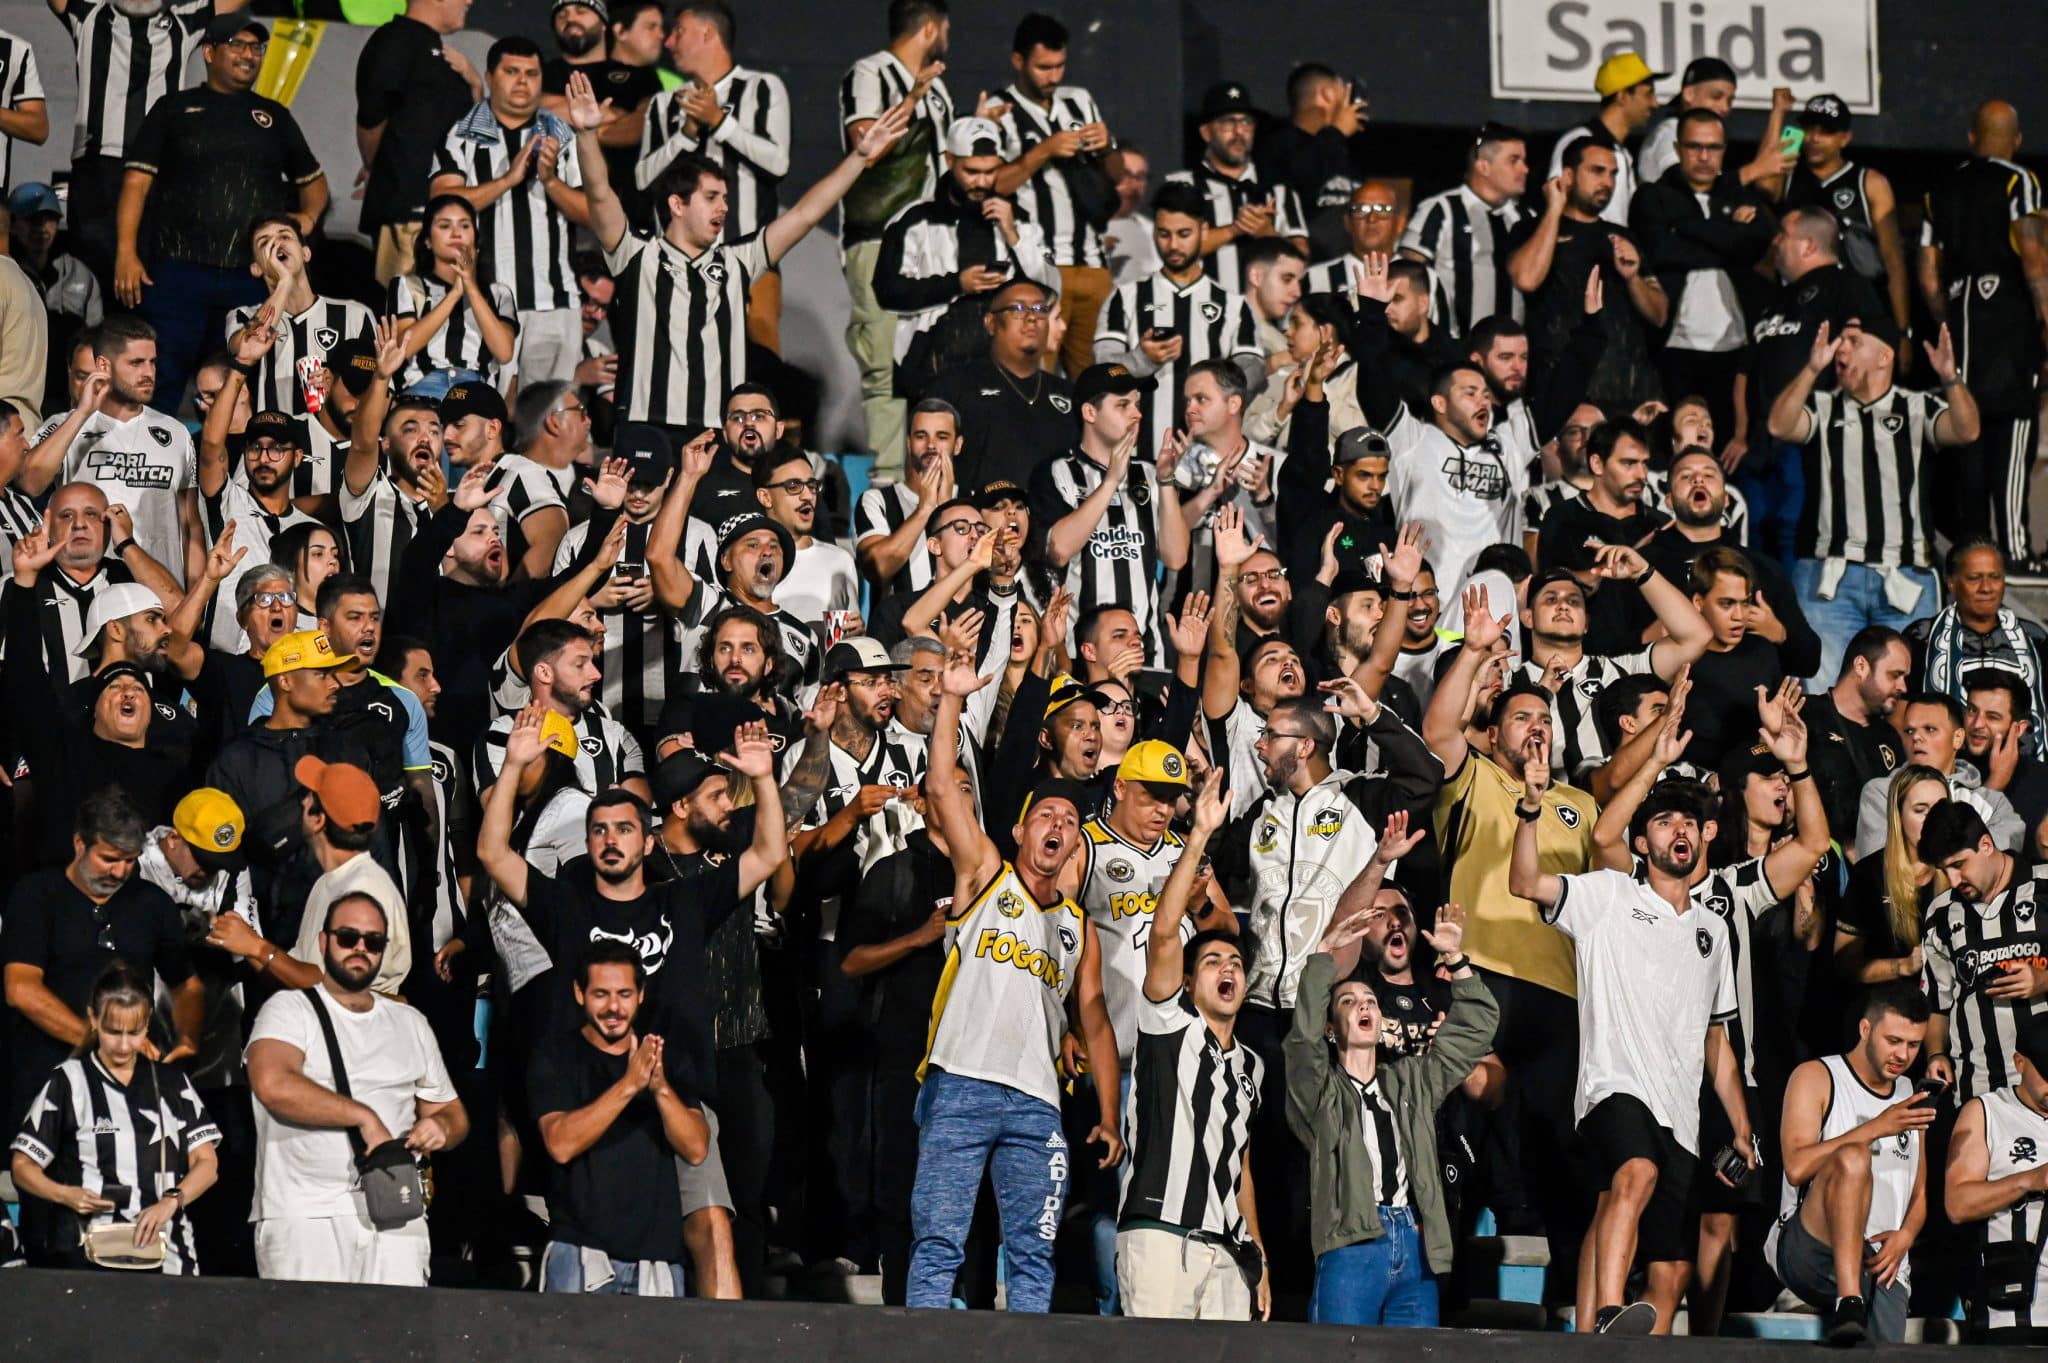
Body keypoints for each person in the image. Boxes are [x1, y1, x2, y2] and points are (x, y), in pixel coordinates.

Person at [1509, 741, 1756, 1335]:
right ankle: (1606, 1309)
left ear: (1704, 840)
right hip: (1612, 1086)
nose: (1681, 831)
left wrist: (1743, 1128)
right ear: (1642, 843)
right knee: (1636, 1172)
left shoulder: (1713, 930)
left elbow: (1715, 1041)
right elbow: (1523, 881)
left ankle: (1618, 1341)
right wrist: (1530, 811)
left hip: (1684, 1117)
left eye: (1691, 823)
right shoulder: (1608, 895)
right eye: (1665, 821)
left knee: (1672, 1267)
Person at [906, 642, 1122, 1312]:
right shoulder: (984, 872)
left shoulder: (1077, 926)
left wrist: (1110, 1114)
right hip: (962, 1081)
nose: (1059, 825)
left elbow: (1095, 1018)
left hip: (1036, 1102)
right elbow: (943, 786)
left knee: (1034, 1256)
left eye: (1070, 821)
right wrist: (950, 698)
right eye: (1046, 816)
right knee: (939, 1243)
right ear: (1023, 827)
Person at [567, 67, 909, 435]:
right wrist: (587, 135)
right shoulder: (636, 255)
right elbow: (600, 194)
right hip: (648, 433)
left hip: (715, 438)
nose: (723, 209)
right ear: (677, 205)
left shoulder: (737, 261)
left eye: (726, 199)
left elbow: (806, 213)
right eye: (712, 198)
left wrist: (858, 158)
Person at [1287, 898, 1497, 1326]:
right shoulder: (1322, 1091)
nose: (1363, 1006)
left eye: (1369, 1001)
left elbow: (1477, 1029)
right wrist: (1325, 957)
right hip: (1352, 1244)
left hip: (1416, 1246)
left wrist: (1456, 960)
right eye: (1348, 1002)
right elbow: (1302, 1041)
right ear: (1332, 1026)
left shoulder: (1410, 1081)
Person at [244, 891, 468, 1284]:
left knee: (399, 1343)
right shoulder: (288, 1010)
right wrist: (364, 1118)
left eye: (374, 941)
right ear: (324, 942)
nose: (360, 948)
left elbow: (451, 1112)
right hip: (306, 1215)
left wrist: (441, 1128)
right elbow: (273, 1084)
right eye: (348, 937)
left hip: (396, 1212)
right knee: (312, 1343)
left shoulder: (409, 1021)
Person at [114, 14, 326, 410]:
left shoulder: (273, 116)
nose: (249, 55)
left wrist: (307, 220)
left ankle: (236, 464)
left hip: (250, 276)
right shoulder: (174, 108)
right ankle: (154, 460)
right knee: (159, 378)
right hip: (178, 271)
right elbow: (135, 185)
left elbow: (315, 185)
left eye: (256, 48)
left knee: (243, 380)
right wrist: (126, 252)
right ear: (209, 53)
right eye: (238, 45)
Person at [1116, 768, 1265, 1320]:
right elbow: (1162, 933)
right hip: (1160, 1234)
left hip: (1226, 1249)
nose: (1227, 967)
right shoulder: (1166, 1023)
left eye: (1234, 962)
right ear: (1187, 981)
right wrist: (1198, 834)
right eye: (1211, 962)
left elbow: (1241, 1163)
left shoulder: (1252, 1064)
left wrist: (1260, 1254)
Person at [1767, 318, 1980, 686]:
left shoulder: (1916, 406)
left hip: (1905, 576)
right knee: (1824, 689)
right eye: (1839, 342)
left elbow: (1966, 430)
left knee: (1904, 691)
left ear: (1885, 356)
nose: (1841, 349)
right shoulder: (1823, 406)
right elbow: (1780, 426)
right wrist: (1812, 368)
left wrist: (1951, 378)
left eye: (1853, 341)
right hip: (1830, 578)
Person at [3, 789, 202, 1134]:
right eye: (109, 858)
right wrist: (103, 1039)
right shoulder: (36, 896)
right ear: (80, 844)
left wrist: (188, 1038)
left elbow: (187, 984)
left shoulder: (152, 903)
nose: (120, 871)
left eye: (130, 860)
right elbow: (20, 989)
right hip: (45, 1080)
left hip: (129, 1087)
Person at [9, 961, 220, 1274]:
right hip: (88, 1257)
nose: (123, 1045)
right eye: (113, 1032)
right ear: (93, 1019)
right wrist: (65, 1194)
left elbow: (208, 1164)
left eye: (134, 1033)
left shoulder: (173, 1083)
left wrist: (172, 1201)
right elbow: (23, 1166)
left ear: (148, 1022)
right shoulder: (69, 1082)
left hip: (169, 1255)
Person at [531, 941, 710, 1295]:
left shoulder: (663, 1057)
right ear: (579, 993)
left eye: (624, 994)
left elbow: (696, 1148)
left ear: (641, 994)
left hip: (656, 1261)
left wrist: (658, 1088)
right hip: (579, 1253)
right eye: (601, 994)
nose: (614, 1006)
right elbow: (560, 1143)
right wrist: (629, 1085)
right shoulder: (555, 1055)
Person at [1917, 102, 2048, 565]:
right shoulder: (2020, 181)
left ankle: (1972, 552)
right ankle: (2013, 548)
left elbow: (1928, 274)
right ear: (2016, 140)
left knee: (1966, 439)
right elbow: (2036, 264)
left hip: (1959, 327)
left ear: (1972, 138)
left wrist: (1946, 319)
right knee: (2013, 433)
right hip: (2009, 329)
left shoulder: (1940, 190)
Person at [1767, 983, 1933, 1346]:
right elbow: (1796, 1166)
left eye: (1914, 1044)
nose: (1902, 1054)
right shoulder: (1817, 1076)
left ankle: (1855, 1297)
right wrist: (1876, 1127)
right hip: (1810, 1245)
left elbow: (1920, 1192)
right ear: (1865, 1029)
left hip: (1881, 1262)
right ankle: (1849, 1298)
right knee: (1854, 1157)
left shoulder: (1910, 1093)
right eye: (1893, 1040)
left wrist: (1905, 1237)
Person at [837, 0, 957, 481]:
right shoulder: (870, 74)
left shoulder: (939, 90)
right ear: (930, 28)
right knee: (883, 365)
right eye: (945, 29)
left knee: (933, 363)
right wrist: (911, 100)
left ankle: (937, 482)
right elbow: (865, 148)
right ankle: (887, 483)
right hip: (879, 237)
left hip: (932, 246)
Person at [430, 37, 591, 386]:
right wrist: (508, 179)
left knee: (547, 416)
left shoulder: (562, 135)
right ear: (489, 76)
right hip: (484, 300)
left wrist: (549, 181)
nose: (522, 81)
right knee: (483, 412)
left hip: (554, 300)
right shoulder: (462, 136)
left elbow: (591, 212)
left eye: (532, 73)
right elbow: (441, 202)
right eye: (512, 71)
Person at [638, 1, 792, 353]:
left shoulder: (762, 89)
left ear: (707, 33)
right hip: (677, 266)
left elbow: (778, 163)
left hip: (750, 259)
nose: (669, 43)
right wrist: (686, 135)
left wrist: (720, 121)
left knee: (759, 365)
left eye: (678, 32)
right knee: (682, 368)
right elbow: (644, 179)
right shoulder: (664, 104)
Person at [51, 0, 235, 289]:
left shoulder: (184, 20)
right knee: (92, 283)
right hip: (99, 165)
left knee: (156, 279)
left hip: (161, 168)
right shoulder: (88, 12)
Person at [874, 115, 1060, 398]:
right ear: (949, 160)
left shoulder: (1019, 221)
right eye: (972, 171)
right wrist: (956, 285)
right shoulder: (914, 221)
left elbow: (1051, 289)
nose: (982, 182)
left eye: (991, 171)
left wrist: (1013, 236)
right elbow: (887, 291)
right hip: (929, 366)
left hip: (1005, 366)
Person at [1031, 364, 1193, 666]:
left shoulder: (1149, 473)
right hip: (1080, 655)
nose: (1137, 414)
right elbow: (1058, 550)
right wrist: (1110, 483)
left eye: (1137, 405)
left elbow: (1175, 557)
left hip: (1147, 654)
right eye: (1122, 405)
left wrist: (1167, 481)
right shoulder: (1056, 472)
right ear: (1090, 413)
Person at [1629, 109, 1773, 443]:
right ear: (1678, 149)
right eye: (1694, 147)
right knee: (1669, 448)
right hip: (1673, 347)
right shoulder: (1654, 196)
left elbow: (1757, 245)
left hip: (1735, 346)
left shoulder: (1739, 194)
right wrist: (1729, 236)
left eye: (1714, 147)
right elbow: (1661, 251)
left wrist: (1686, 229)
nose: (1705, 157)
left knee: (1726, 450)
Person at [26, 317, 199, 586]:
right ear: (104, 365)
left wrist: (194, 601)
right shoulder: (64, 425)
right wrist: (83, 412)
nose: (149, 373)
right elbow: (30, 482)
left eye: (152, 362)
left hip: (161, 597)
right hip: (91, 593)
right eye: (136, 363)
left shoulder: (176, 433)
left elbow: (191, 527)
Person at [1095, 180, 1262, 453]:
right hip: (1139, 457)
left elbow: (1252, 371)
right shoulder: (1124, 297)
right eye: (1163, 234)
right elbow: (1101, 372)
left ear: (1204, 230)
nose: (1173, 245)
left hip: (1210, 459)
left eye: (1184, 234)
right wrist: (1142, 361)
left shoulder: (1233, 304)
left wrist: (1214, 383)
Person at [993, 12, 1115, 377]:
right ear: (1019, 61)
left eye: (1060, 66)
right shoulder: (1001, 111)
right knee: (1036, 375)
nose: (1054, 76)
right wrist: (1044, 150)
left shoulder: (1079, 100)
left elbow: (1118, 175)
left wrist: (1107, 145)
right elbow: (995, 183)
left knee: (1095, 381)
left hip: (1093, 263)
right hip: (1039, 265)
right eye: (1044, 67)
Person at [1508, 138, 1666, 415]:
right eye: (1597, 171)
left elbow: (1660, 314)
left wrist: (1633, 279)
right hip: (1560, 397)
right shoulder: (1531, 230)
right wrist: (1555, 209)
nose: (1607, 182)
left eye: (1613, 174)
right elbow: (1525, 278)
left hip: (1627, 398)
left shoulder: (1624, 237)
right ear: (1568, 176)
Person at [1918, 800, 2048, 1103]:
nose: (1952, 881)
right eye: (1943, 870)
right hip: (1978, 1091)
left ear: (1986, 844)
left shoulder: (2044, 885)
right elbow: (1938, 1001)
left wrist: (2043, 980)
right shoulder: (1940, 913)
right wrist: (1936, 1053)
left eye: (1959, 865)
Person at [354, 0, 484, 286]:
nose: (469, 1)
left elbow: (470, 138)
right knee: (406, 318)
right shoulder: (395, 41)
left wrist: (476, 87)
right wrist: (379, 169)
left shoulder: (443, 55)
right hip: (408, 216)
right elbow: (371, 121)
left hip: (448, 213)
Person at [925, 275, 1081, 492]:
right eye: (1018, 309)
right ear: (991, 323)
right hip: (978, 521)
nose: (1031, 317)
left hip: (1055, 522)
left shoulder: (1069, 394)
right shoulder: (954, 387)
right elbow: (926, 467)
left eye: (1040, 309)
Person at [1946, 1014, 2048, 1344]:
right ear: (2020, 1062)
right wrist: (2031, 1179)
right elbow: (1958, 1204)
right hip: (2013, 1307)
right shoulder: (1987, 1112)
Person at [1905, 539, 2048, 761]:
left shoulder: (2034, 638)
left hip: (2024, 771)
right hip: (1946, 775)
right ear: (1951, 582)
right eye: (1974, 578)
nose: (1986, 588)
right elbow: (1902, 716)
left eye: (1995, 577)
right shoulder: (1922, 636)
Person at [1782, 95, 1910, 340]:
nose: (1814, 138)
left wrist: (1903, 330)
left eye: (1826, 132)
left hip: (1858, 314)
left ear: (1845, 138)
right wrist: (1781, 117)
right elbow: (1765, 186)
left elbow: (1893, 259)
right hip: (1801, 313)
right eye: (1809, 129)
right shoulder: (1786, 179)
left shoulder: (1870, 182)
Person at [1165, 81, 1308, 294]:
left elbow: (1302, 259)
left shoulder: (1279, 191)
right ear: (1206, 132)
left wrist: (1268, 235)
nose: (1239, 131)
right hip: (1200, 316)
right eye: (1227, 122)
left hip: (1266, 322)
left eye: (1246, 122)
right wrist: (1235, 229)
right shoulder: (1181, 185)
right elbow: (1173, 250)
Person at [1853, 692, 2024, 860]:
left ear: (1958, 738)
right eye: (1910, 731)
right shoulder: (1881, 792)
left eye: (1930, 729)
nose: (1917, 737)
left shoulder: (1994, 803)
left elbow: (1992, 869)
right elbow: (1878, 867)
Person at [385, 194, 520, 396]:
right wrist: (455, 293)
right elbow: (405, 347)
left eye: (465, 226)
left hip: (477, 390)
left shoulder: (498, 293)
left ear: (476, 240)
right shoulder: (407, 285)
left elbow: (504, 352)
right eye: (445, 226)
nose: (456, 233)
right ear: (428, 241)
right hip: (423, 388)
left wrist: (470, 288)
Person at [1400, 122, 1527, 336]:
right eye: (1514, 161)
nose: (1525, 169)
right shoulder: (1440, 210)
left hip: (1511, 356)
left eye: (1524, 161)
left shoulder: (1525, 217)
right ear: (1484, 166)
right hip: (1453, 348)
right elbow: (1407, 274)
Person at [1545, 50, 1664, 228]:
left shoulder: (1623, 153)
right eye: (1648, 94)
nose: (1655, 103)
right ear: (1622, 96)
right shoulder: (1579, 140)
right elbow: (1556, 203)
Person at [1258, 63, 1365, 259]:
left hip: (1349, 273)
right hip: (1304, 272)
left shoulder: (1341, 149)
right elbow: (1303, 176)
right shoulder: (1279, 146)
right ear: (1328, 94)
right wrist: (1336, 133)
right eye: (1344, 90)